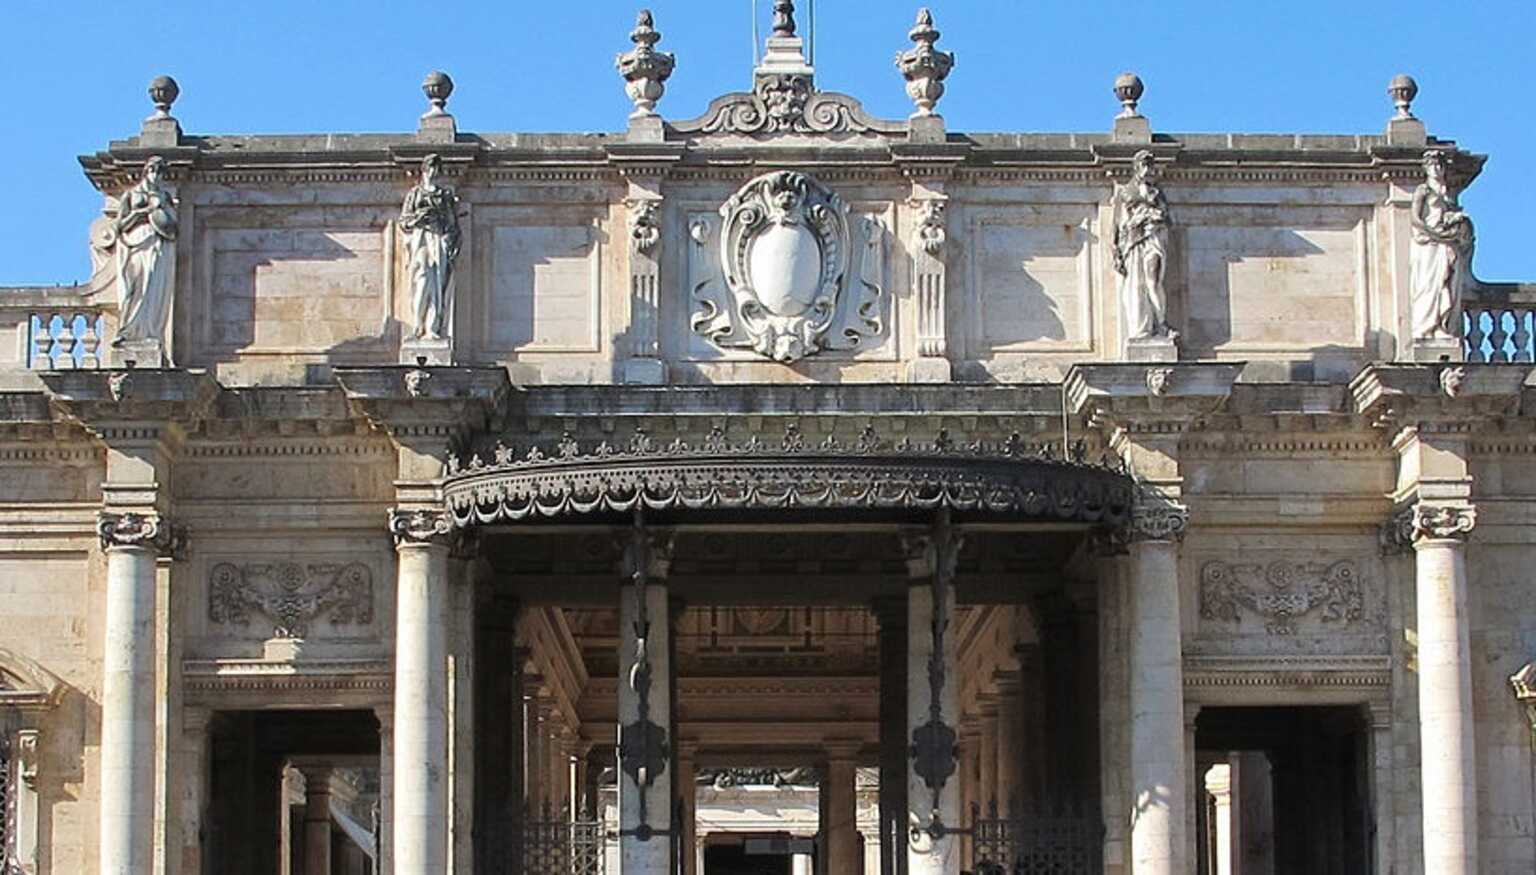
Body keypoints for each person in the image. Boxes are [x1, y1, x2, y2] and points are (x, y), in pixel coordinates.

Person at [111, 156, 177, 347]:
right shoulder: (132, 194)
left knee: (152, 286)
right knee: (133, 286)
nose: (156, 175)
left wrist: (161, 212)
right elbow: (119, 225)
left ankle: (149, 331)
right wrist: (141, 213)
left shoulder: (164, 197)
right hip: (134, 242)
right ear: (146, 171)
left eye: (160, 172)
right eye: (153, 170)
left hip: (155, 242)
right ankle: (127, 330)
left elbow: (173, 226)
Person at [1410, 150, 1476, 340]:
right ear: (1426, 168)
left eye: (1439, 165)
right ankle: (1426, 326)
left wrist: (1456, 221)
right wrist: (1434, 233)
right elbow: (1415, 219)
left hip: (1443, 243)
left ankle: (1441, 325)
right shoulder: (1423, 190)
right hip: (1428, 244)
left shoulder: (1446, 195)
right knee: (1428, 285)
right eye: (1433, 165)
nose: (1437, 169)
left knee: (1445, 282)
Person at [399, 154, 461, 340]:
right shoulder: (415, 194)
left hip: (438, 238)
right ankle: (417, 325)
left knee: (437, 285)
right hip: (420, 238)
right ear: (424, 170)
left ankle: (432, 327)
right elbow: (404, 221)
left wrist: (449, 239)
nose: (433, 171)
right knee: (422, 278)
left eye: (436, 168)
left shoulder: (444, 196)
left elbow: (452, 224)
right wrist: (418, 219)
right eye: (430, 167)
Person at [1114, 149, 1172, 340]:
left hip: (1154, 238)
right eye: (1145, 165)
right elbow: (1117, 225)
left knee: (1153, 281)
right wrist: (1116, 251)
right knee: (1136, 284)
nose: (1148, 169)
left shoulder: (1157, 193)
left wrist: (1157, 218)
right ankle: (1142, 328)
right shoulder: (1125, 192)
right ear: (1137, 167)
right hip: (1133, 241)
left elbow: (1167, 218)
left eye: (1150, 165)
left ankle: (1162, 323)